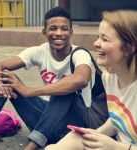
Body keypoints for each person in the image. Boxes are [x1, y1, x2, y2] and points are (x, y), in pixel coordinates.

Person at [0, 7, 92, 150]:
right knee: (5, 78)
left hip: (73, 126)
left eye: (64, 29)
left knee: (64, 87)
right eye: (53, 28)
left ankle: (32, 146)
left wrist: (29, 91)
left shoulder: (80, 54)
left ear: (71, 32)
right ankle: (39, 137)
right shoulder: (39, 52)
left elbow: (81, 79)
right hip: (45, 121)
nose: (59, 33)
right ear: (45, 32)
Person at [44, 9, 137, 150]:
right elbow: (117, 119)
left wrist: (115, 147)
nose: (96, 43)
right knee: (62, 143)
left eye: (105, 39)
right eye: (98, 37)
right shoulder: (109, 77)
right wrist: (95, 133)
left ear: (128, 48)